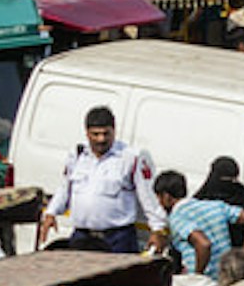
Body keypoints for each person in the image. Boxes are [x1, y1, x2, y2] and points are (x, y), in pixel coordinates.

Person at [48, 104, 161, 253]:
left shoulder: (131, 157)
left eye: (106, 133)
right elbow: (64, 188)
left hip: (117, 239)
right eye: (95, 134)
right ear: (87, 133)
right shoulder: (77, 155)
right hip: (83, 237)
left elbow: (149, 197)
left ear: (114, 131)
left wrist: (158, 229)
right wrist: (51, 212)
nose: (101, 139)